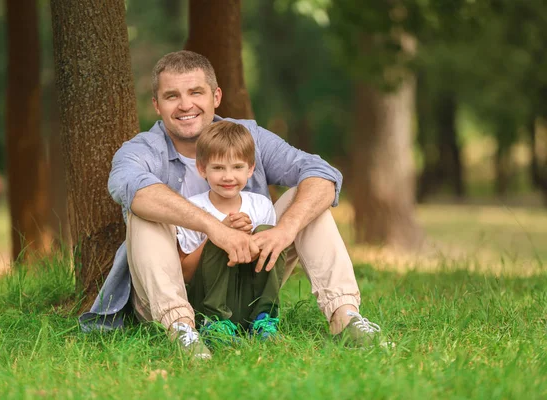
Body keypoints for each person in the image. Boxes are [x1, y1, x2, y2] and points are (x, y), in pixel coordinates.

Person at [80, 50, 381, 360]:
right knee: (142, 208)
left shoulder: (246, 137)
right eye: (172, 96)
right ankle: (182, 331)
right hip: (172, 291)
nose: (185, 105)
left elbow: (322, 173)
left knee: (306, 199)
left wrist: (285, 230)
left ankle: (347, 319)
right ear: (156, 105)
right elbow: (132, 189)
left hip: (247, 285)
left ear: (216, 96)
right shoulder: (140, 150)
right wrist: (216, 230)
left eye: (196, 92)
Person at [177, 121, 285, 342]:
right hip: (206, 300)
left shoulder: (261, 205)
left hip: (247, 297)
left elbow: (267, 262)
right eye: (218, 168)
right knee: (220, 237)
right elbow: (185, 272)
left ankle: (264, 320)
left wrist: (249, 240)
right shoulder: (193, 209)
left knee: (269, 234)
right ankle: (214, 325)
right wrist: (220, 232)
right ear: (202, 168)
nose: (228, 176)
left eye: (237, 167)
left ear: (251, 168)